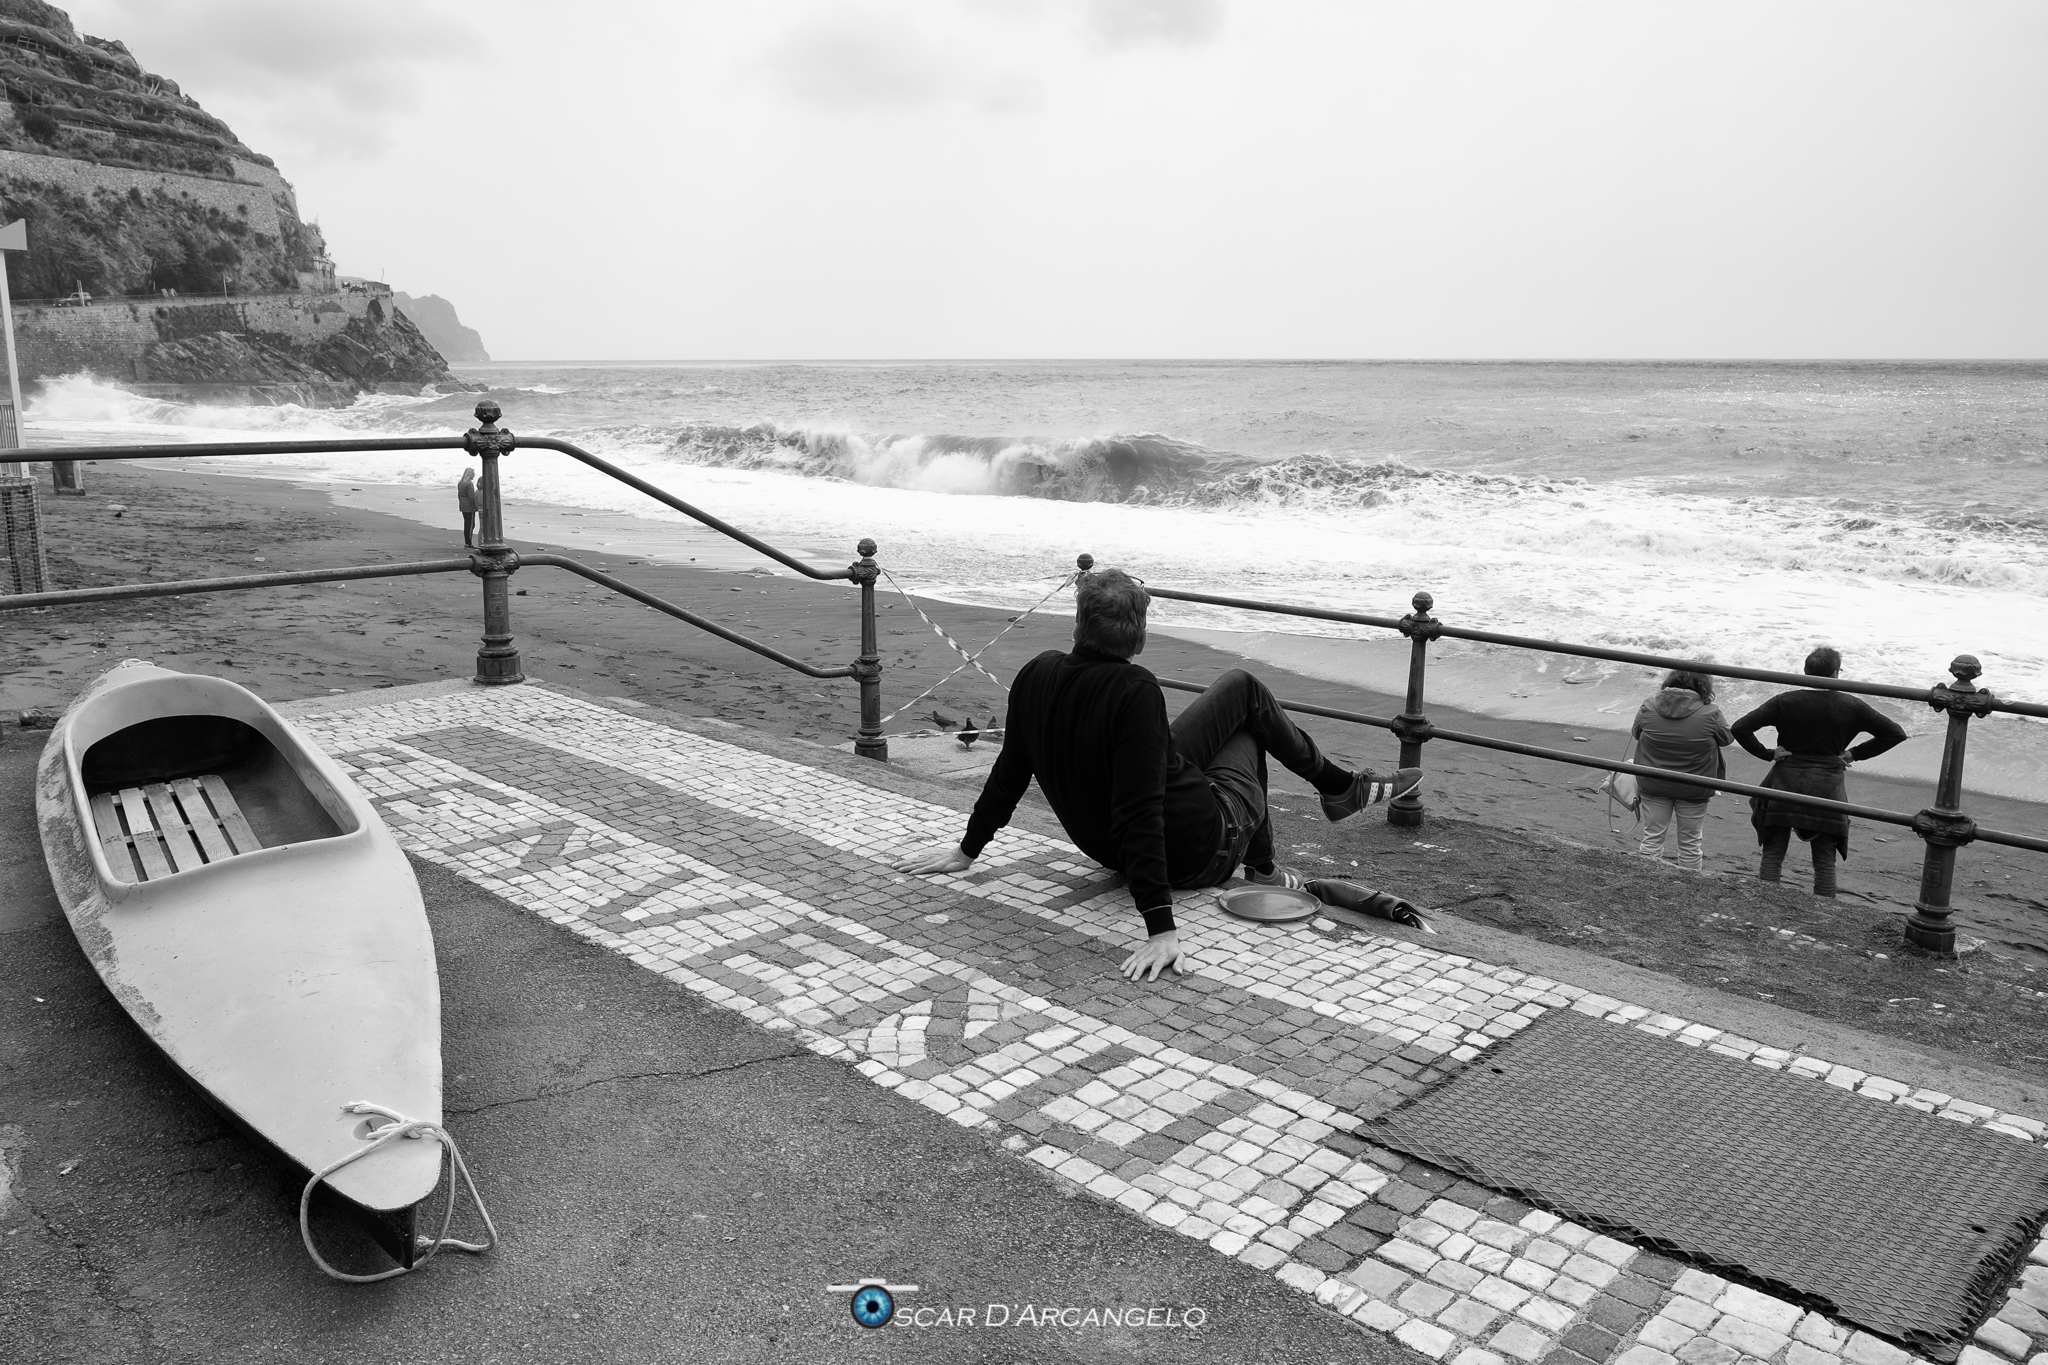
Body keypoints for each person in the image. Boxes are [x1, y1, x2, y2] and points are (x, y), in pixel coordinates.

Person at [893, 568, 1420, 982]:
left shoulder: (1036, 673)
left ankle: (1330, 797)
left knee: (1238, 693)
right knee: (1247, 703)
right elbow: (1139, 808)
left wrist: (967, 851)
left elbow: (1009, 773)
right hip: (1200, 853)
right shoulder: (1136, 688)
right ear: (1140, 639)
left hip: (1110, 849)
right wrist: (1161, 929)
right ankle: (1309, 818)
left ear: (1078, 626)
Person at [1731, 646, 1908, 897]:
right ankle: (1825, 910)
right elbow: (1895, 733)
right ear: (1836, 673)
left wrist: (1768, 753)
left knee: (1773, 852)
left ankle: (1765, 902)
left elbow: (1740, 727)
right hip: (1827, 785)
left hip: (1785, 779)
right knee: (1824, 859)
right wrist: (1853, 753)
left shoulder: (1785, 700)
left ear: (1805, 672)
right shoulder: (1852, 705)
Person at [1630, 669, 1733, 871]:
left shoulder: (1649, 705)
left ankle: (1645, 879)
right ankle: (1690, 885)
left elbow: (1636, 733)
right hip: (1694, 786)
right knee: (1690, 843)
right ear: (1704, 687)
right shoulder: (1711, 713)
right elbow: (1727, 739)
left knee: (1652, 837)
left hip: (1654, 781)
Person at [457, 468, 479, 547]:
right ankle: (468, 542)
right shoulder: (469, 484)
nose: (474, 475)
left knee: (467, 523)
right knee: (470, 525)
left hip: (463, 505)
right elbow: (471, 497)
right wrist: (475, 506)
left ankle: (467, 541)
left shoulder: (460, 483)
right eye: (473, 473)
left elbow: (459, 495)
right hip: (469, 507)